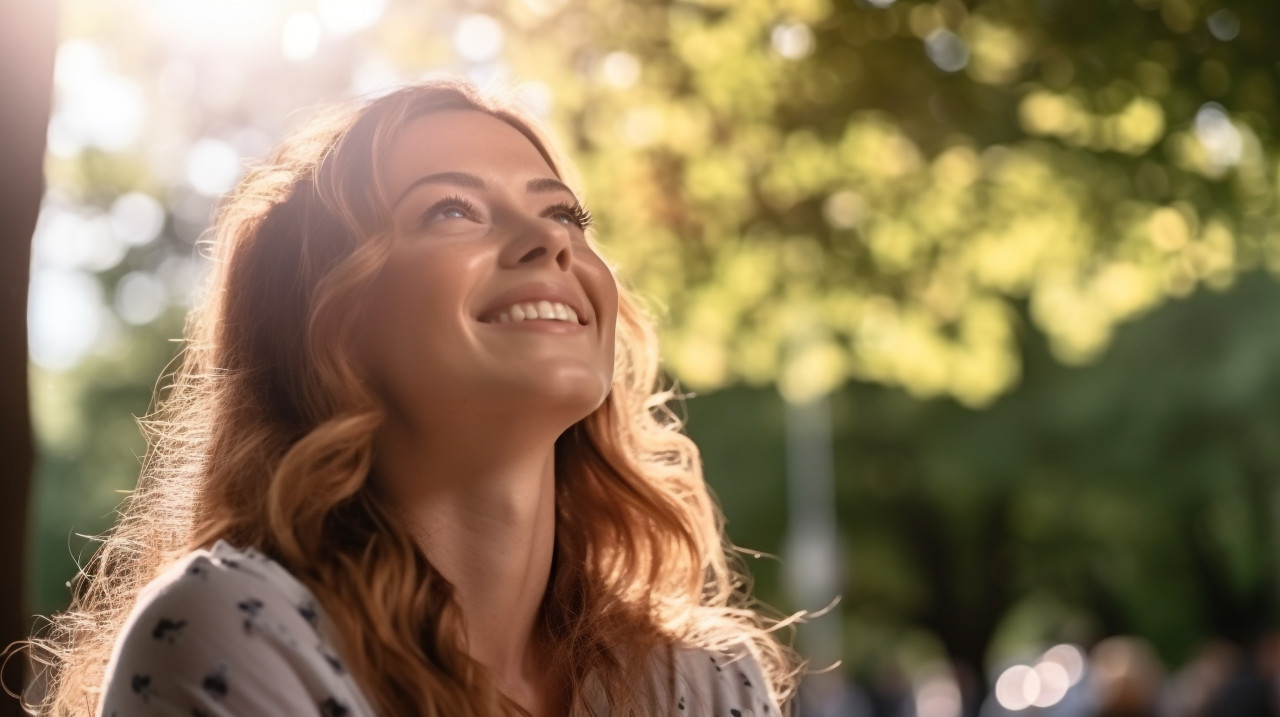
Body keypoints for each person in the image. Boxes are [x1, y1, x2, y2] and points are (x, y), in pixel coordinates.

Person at [24, 78, 801, 716]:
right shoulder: (234, 634)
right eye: (451, 209)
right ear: (328, 321)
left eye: (564, 212)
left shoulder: (709, 682)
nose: (552, 241)